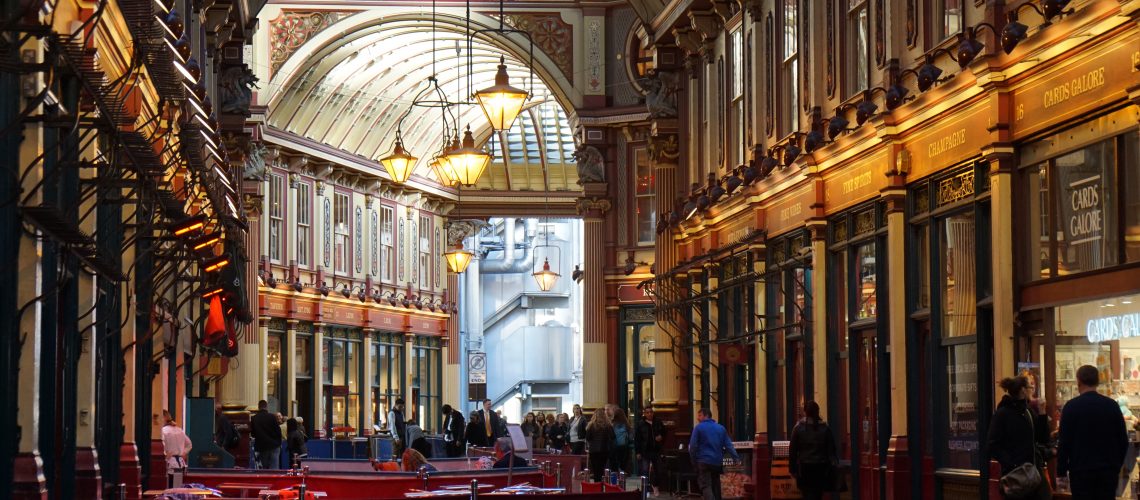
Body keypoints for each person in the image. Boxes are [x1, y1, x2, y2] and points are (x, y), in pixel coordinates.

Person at [1057, 365, 1128, 499]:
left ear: (1079, 381)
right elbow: (1123, 440)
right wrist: (1116, 465)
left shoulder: (1070, 407)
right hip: (1107, 472)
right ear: (1097, 381)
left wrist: (1061, 472)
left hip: (1080, 472)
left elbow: (1064, 443)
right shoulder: (1111, 405)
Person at [987, 376, 1050, 500]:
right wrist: (1013, 464)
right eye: (1030, 387)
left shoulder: (1028, 412)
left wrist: (1042, 412)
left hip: (1033, 473)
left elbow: (1042, 438)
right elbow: (992, 445)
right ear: (1022, 390)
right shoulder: (1002, 414)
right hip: (1015, 477)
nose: (1032, 390)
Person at [789, 401, 839, 500]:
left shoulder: (798, 428)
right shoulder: (825, 428)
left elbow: (793, 450)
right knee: (818, 494)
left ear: (805, 412)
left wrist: (792, 469)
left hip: (804, 468)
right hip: (821, 467)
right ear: (817, 411)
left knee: (807, 493)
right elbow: (831, 450)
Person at [689, 408, 739, 500]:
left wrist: (694, 461)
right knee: (716, 486)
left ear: (706, 415)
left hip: (703, 461)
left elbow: (692, 447)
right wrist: (736, 458)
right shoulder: (721, 428)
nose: (697, 418)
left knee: (706, 485)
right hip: (717, 462)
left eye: (700, 415)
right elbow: (729, 445)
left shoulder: (698, 428)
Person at [635, 407, 666, 492]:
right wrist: (638, 452)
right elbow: (637, 439)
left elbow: (664, 432)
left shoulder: (658, 422)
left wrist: (661, 437)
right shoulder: (640, 424)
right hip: (645, 450)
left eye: (651, 412)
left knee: (658, 470)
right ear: (644, 414)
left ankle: (655, 485)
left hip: (656, 450)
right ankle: (646, 488)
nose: (649, 414)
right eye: (647, 412)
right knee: (645, 470)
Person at [250, 400, 282, 470]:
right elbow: (278, 431)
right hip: (274, 445)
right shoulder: (272, 417)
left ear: (258, 407)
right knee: (274, 468)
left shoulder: (254, 418)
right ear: (266, 407)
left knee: (263, 469)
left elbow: (253, 434)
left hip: (261, 446)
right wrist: (279, 443)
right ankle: (274, 480)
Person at [161, 410, 192, 480]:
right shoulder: (180, 430)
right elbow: (189, 444)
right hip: (180, 463)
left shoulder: (163, 431)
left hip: (169, 463)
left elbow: (162, 446)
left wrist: (166, 455)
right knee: (178, 486)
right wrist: (182, 453)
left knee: (169, 486)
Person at [585, 409, 615, 482]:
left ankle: (596, 485)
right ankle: (600, 485)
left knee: (595, 470)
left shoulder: (591, 425)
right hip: (604, 450)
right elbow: (613, 436)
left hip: (593, 450)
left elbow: (588, 437)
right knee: (601, 469)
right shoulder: (608, 425)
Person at [609, 407, 632, 473]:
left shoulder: (612, 424)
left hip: (614, 447)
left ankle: (614, 478)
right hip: (623, 446)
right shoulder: (626, 424)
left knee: (614, 465)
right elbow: (630, 436)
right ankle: (621, 476)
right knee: (622, 464)